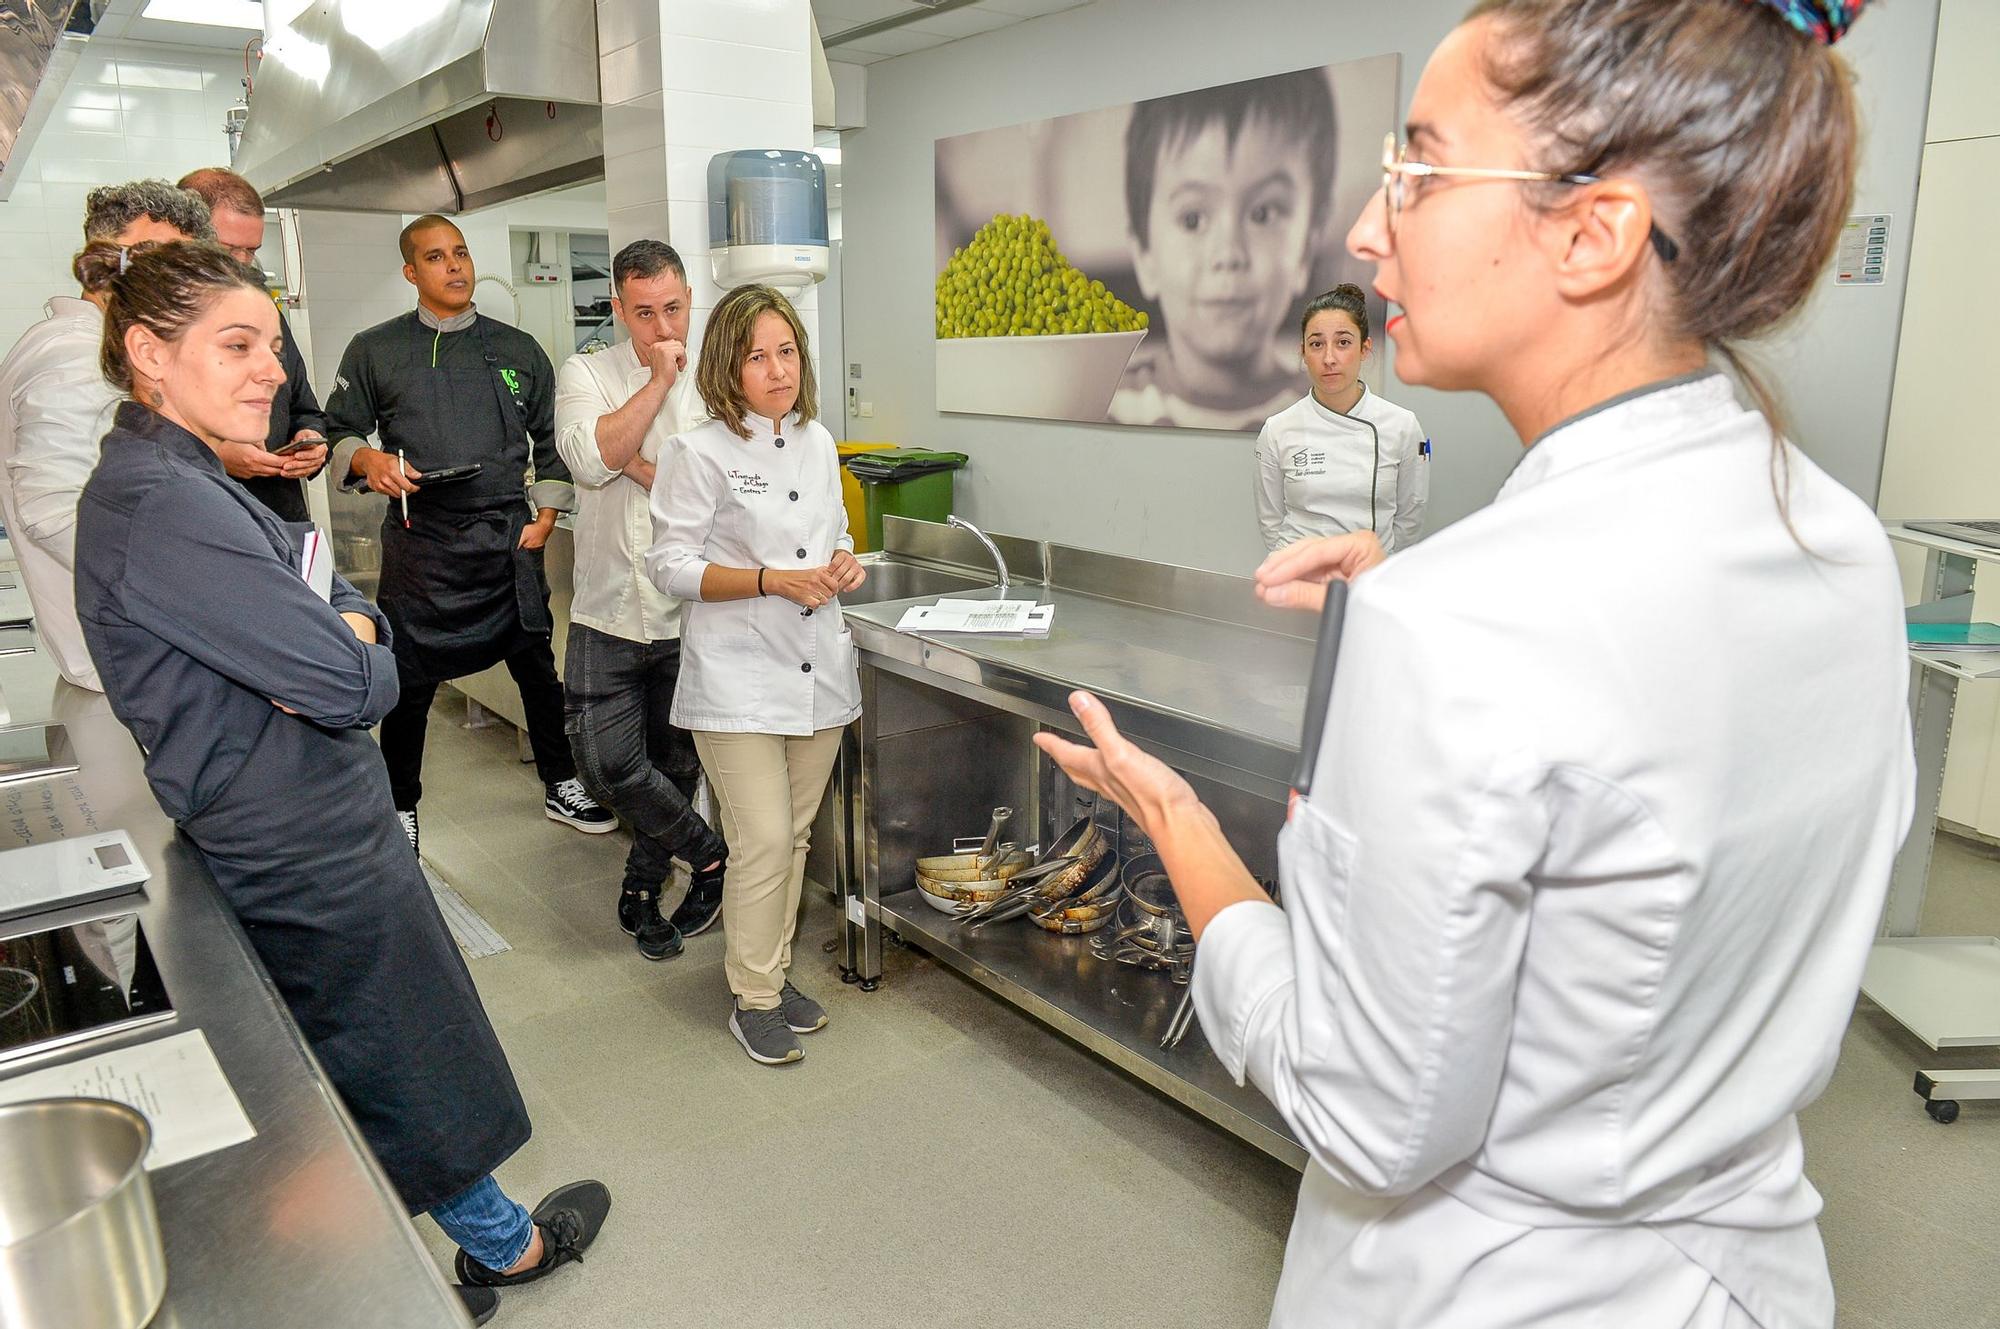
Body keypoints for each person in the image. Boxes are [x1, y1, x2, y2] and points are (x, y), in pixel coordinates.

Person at [1037, 1, 1911, 1325]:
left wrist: (1180, 830)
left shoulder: (1462, 627)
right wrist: (1422, 606)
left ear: (1592, 231)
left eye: (1424, 170)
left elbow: (1371, 1114)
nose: (1365, 228)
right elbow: (1670, 749)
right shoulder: (1841, 543)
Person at [70, 239, 612, 1324]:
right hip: (295, 839)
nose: (271, 369)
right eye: (237, 345)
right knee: (395, 1049)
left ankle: (466, 1240)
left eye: (270, 344)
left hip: (298, 813)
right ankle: (496, 1252)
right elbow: (350, 678)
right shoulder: (157, 501)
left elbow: (307, 650)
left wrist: (325, 641)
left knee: (379, 1046)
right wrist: (356, 633)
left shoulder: (185, 475)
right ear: (147, 353)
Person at [323, 214, 613, 852]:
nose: (454, 266)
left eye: (459, 253)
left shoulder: (517, 349)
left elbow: (552, 438)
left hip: (508, 536)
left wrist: (545, 515)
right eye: (435, 257)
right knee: (410, 683)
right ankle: (401, 803)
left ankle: (561, 781)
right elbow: (335, 430)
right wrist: (368, 461)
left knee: (537, 670)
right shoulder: (375, 349)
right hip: (422, 544)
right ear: (411, 272)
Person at [646, 284, 865, 1066]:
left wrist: (842, 564)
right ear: (726, 367)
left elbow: (833, 536)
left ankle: (771, 970)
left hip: (818, 674)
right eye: (757, 356)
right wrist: (770, 579)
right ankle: (755, 997)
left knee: (795, 837)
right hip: (737, 677)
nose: (778, 370)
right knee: (764, 837)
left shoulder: (817, 438)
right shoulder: (696, 451)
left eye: (787, 352)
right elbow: (670, 567)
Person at [554, 238, 729, 959]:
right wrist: (655, 384)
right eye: (647, 312)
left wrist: (638, 464)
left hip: (693, 614)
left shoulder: (721, 380)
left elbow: (719, 488)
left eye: (675, 309)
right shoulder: (586, 371)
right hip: (607, 608)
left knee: (676, 765)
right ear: (621, 309)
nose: (664, 328)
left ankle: (640, 889)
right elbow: (592, 457)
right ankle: (711, 855)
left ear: (691, 300)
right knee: (603, 767)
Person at [0, 179, 212, 692]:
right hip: (131, 662)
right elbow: (52, 510)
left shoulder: (99, 346)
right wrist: (191, 587)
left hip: (140, 653)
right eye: (156, 258)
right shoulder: (73, 353)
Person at [1108, 68, 1338, 430]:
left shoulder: (1332, 418)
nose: (1229, 253)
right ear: (1144, 255)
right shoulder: (1102, 407)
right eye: (1193, 219)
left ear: (1306, 248)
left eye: (1262, 214)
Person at [177, 167, 330, 523]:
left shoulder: (262, 307)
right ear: (185, 235)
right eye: (229, 249)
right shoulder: (162, 320)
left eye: (252, 250)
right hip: (208, 518)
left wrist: (312, 439)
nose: (243, 264)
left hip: (281, 515)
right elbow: (142, 429)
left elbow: (304, 406)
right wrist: (216, 452)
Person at [1254, 283, 1428, 553]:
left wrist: (1379, 562)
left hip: (1368, 575)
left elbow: (1411, 512)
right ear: (1303, 352)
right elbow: (1271, 518)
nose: (1329, 358)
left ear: (1364, 348)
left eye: (1343, 342)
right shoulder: (1278, 429)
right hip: (1299, 575)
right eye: (1316, 344)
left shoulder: (1402, 426)